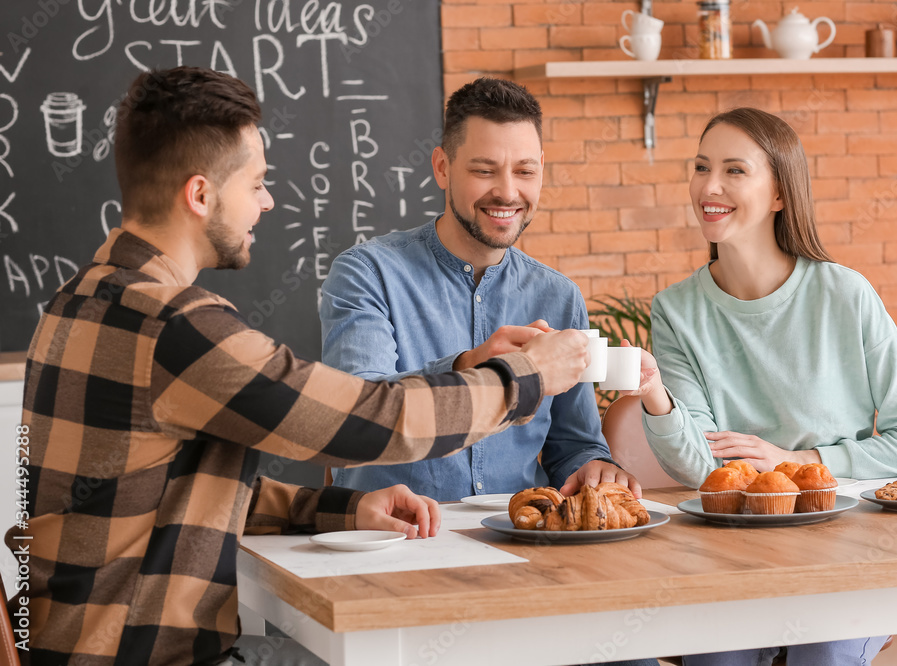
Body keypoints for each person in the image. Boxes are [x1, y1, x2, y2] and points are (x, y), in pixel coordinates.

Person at [6, 66, 591, 666]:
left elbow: (164, 488)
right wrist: (526, 378)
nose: (268, 201)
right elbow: (370, 419)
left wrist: (340, 509)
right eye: (256, 183)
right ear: (201, 195)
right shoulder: (176, 328)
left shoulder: (77, 301)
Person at [631, 107, 897, 665]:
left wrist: (792, 460)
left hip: (844, 554)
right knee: (716, 660)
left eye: (735, 170)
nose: (710, 186)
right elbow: (701, 467)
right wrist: (656, 393)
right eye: (702, 167)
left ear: (780, 193)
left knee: (821, 656)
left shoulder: (844, 295)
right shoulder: (677, 310)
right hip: (728, 557)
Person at [319, 77, 642, 503]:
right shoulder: (367, 273)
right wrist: (472, 366)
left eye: (525, 171)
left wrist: (595, 468)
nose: (508, 192)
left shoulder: (560, 296)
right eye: (484, 170)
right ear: (442, 167)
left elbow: (574, 445)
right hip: (396, 540)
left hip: (520, 536)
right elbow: (357, 415)